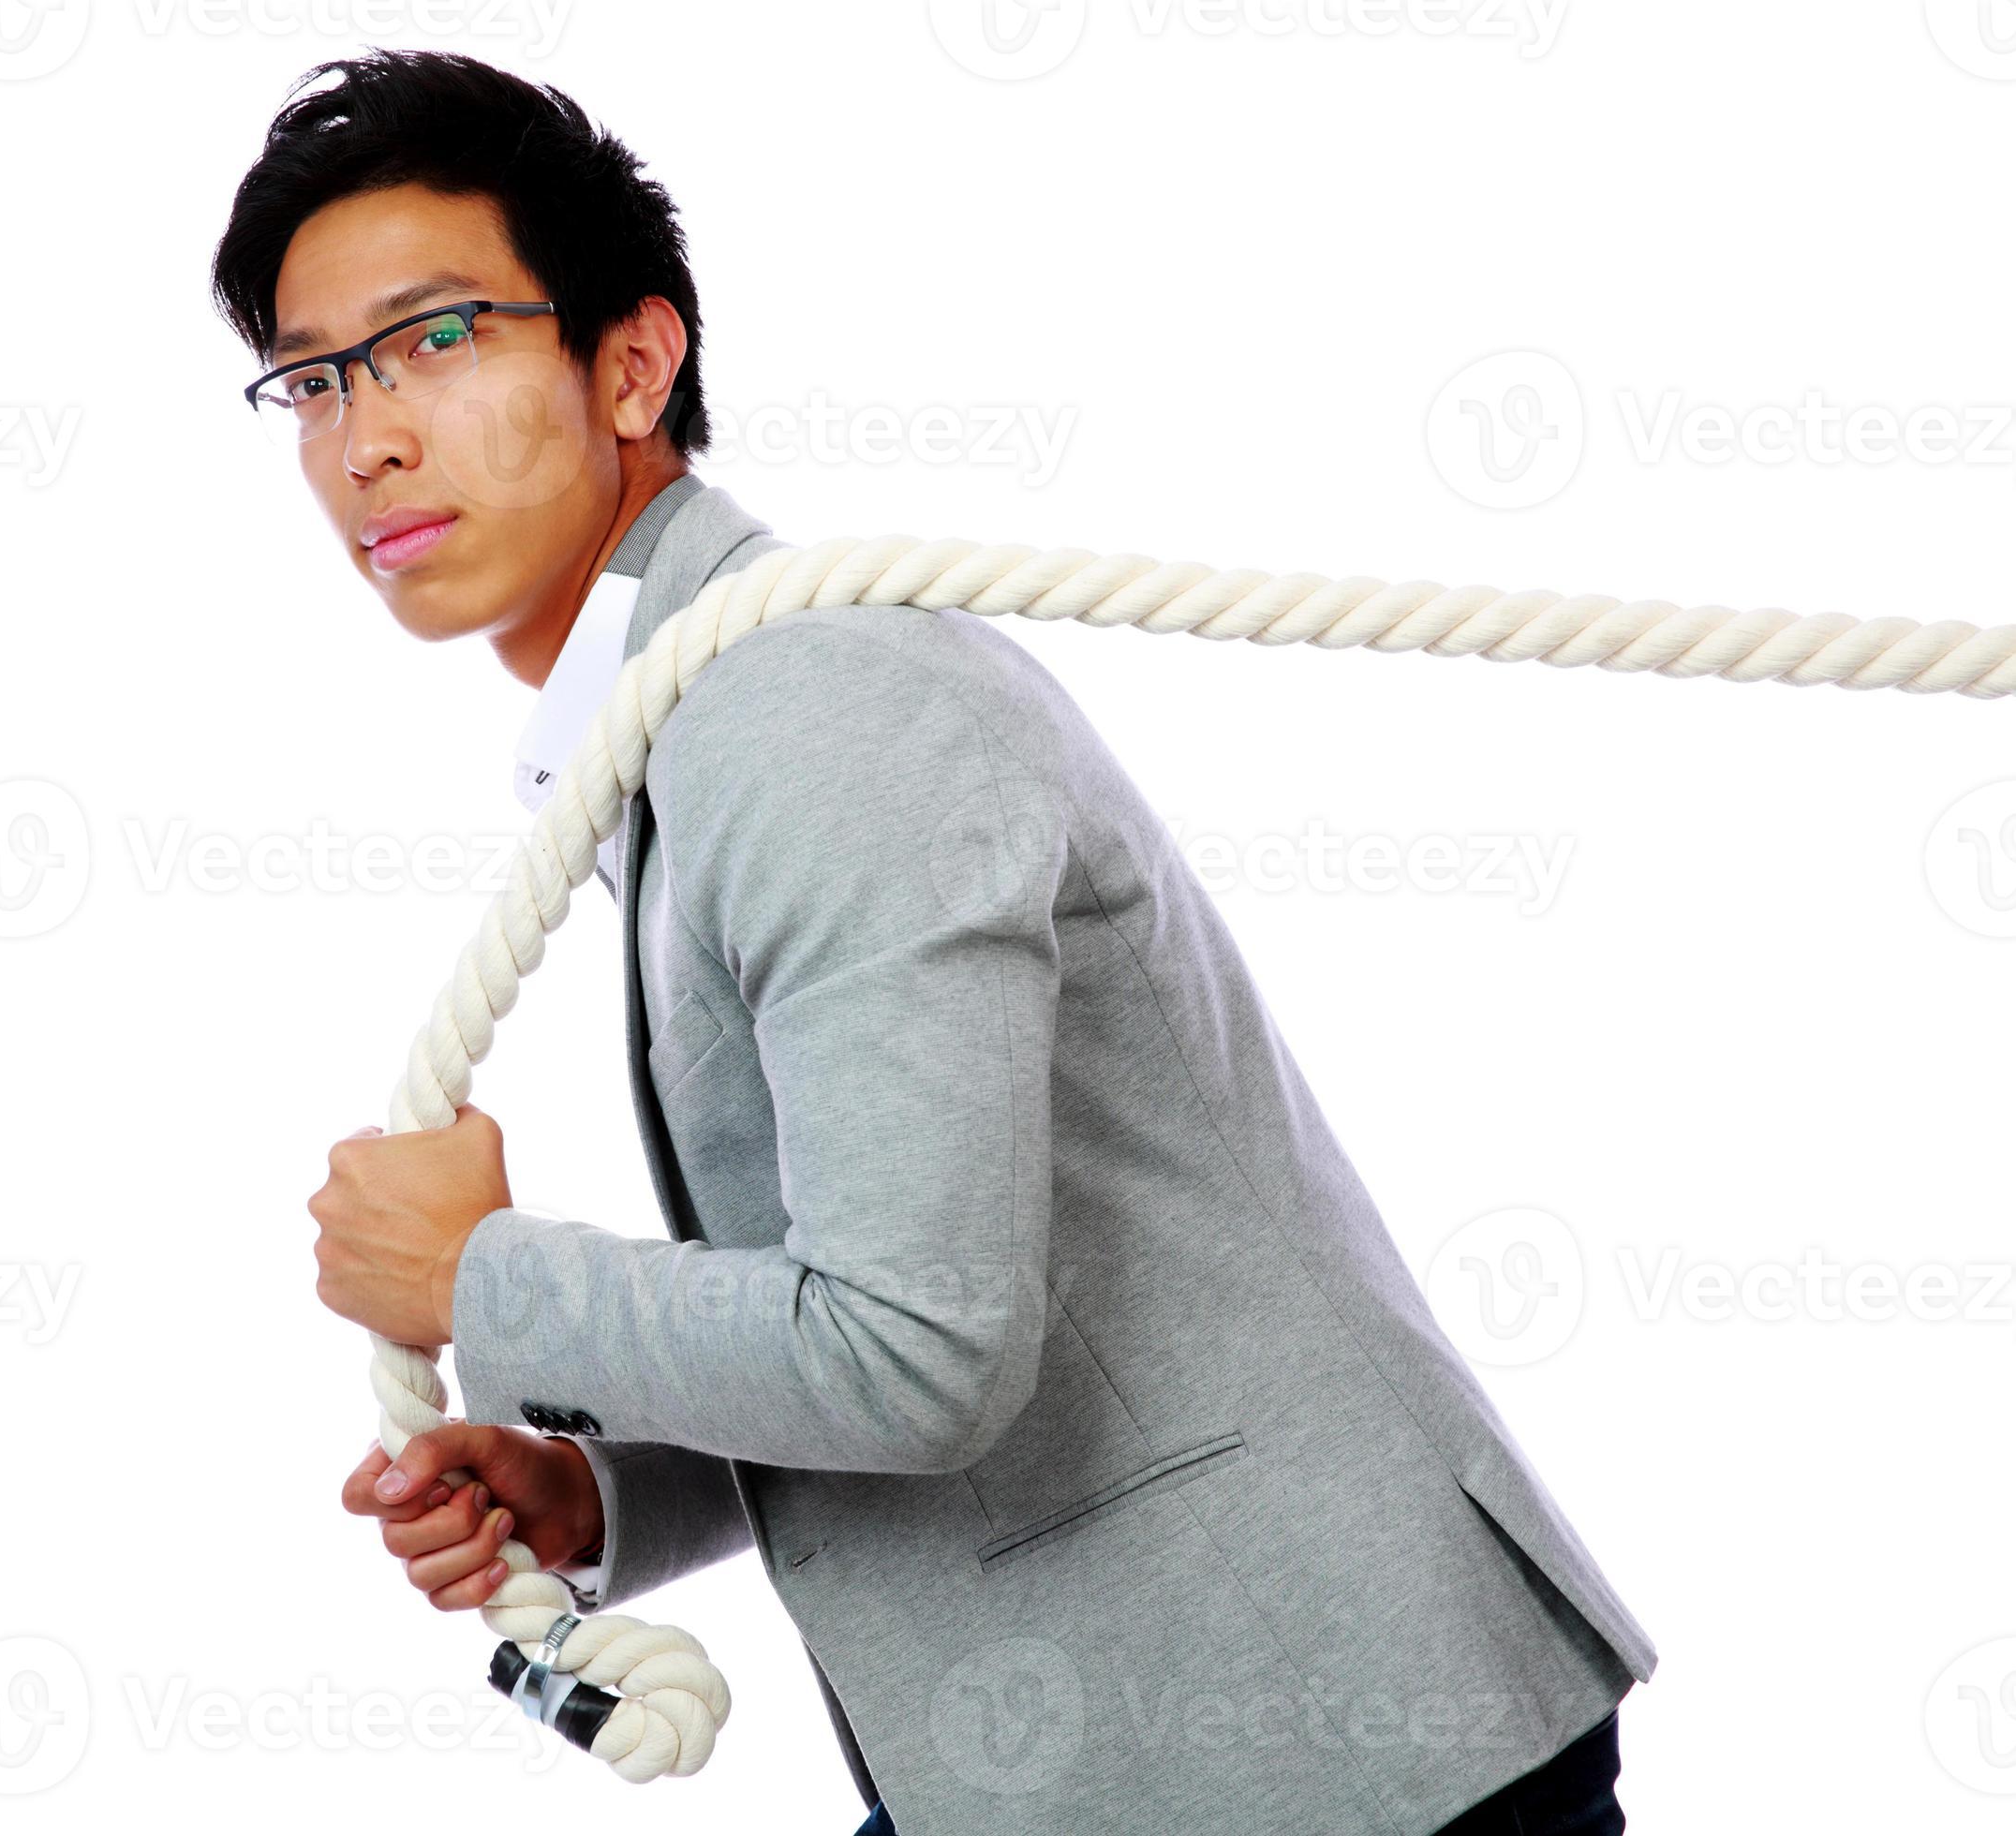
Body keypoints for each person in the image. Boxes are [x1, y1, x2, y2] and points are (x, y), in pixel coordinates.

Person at [229, 47, 1654, 1834]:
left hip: (1319, 1745)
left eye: (436, 339)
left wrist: (483, 1278)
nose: (363, 436)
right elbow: (930, 1302)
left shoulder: (813, 701)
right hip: (1143, 1750)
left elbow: (921, 1348)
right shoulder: (689, 720)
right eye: (311, 377)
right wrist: (604, 1498)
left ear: (634, 363)